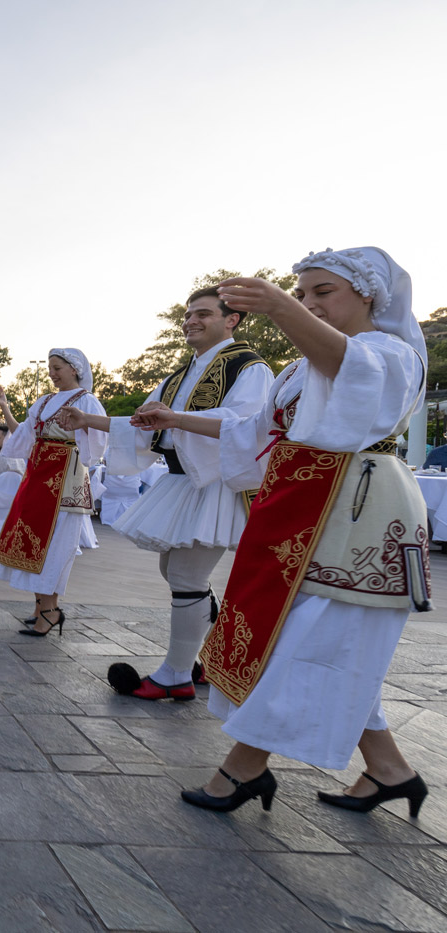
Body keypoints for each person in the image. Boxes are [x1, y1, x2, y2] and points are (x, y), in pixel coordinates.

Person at [136, 248, 430, 816]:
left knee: (314, 639)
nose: (309, 304)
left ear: (368, 294)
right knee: (317, 638)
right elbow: (251, 431)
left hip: (357, 509)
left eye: (323, 292)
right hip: (299, 505)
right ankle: (391, 771)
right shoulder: (300, 368)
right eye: (302, 294)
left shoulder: (390, 353)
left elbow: (353, 373)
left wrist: (277, 307)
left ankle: (242, 770)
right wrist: (175, 419)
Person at [56, 288, 272, 700]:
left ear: (232, 320)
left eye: (203, 313)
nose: (191, 320)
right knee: (174, 573)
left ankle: (177, 674)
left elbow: (248, 424)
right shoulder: (177, 375)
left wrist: (179, 418)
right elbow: (146, 424)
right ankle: (216, 654)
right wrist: (90, 420)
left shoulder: (250, 367)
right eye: (188, 314)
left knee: (187, 576)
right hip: (181, 481)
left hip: (215, 483)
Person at [0, 349, 107, 635]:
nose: (52, 373)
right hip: (38, 477)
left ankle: (51, 611)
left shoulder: (87, 400)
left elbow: (99, 443)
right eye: (51, 368)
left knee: (55, 546)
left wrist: (81, 430)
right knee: (31, 541)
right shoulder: (43, 402)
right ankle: (40, 606)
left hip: (65, 480)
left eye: (57, 368)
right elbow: (24, 436)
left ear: (75, 369)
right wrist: (4, 407)